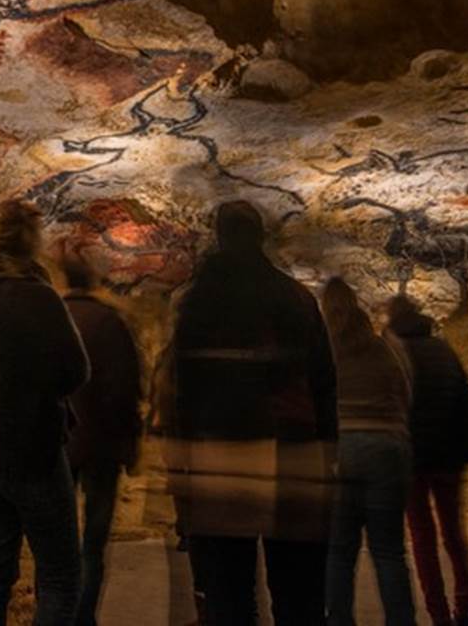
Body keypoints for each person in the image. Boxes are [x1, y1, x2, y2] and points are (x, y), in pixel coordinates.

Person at [167, 200, 337, 625]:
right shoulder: (297, 298)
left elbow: (183, 392)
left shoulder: (198, 302)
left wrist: (182, 470)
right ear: (261, 237)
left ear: (219, 237)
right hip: (291, 450)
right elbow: (323, 382)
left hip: (224, 453)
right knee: (300, 593)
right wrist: (328, 452)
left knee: (228, 594)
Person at [0, 200, 90, 626]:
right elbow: (77, 370)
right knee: (60, 576)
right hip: (32, 449)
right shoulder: (40, 297)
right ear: (33, 242)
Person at [321, 278, 417, 626]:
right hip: (387, 449)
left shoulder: (325, 351)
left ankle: (339, 621)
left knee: (340, 551)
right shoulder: (383, 348)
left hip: (343, 450)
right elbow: (406, 394)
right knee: (389, 551)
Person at [384, 295, 468, 626]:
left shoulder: (393, 354)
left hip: (411, 458)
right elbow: (465, 399)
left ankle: (439, 614)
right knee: (455, 533)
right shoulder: (442, 350)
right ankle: (466, 609)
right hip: (448, 456)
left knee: (422, 539)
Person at [61, 253, 144, 626]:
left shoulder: (54, 318)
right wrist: (130, 444)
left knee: (57, 545)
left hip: (59, 444)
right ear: (94, 279)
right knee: (93, 545)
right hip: (102, 446)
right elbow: (124, 390)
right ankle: (83, 618)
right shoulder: (111, 323)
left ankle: (56, 615)